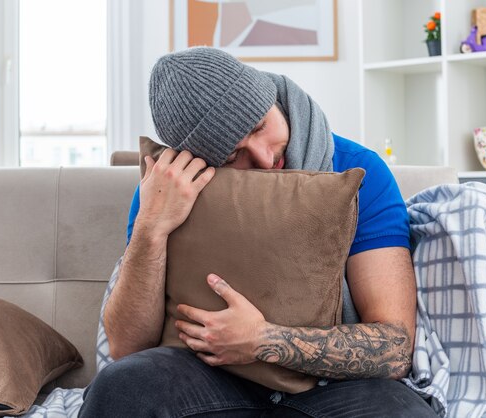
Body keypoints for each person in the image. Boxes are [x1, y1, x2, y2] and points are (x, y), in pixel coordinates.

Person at [79, 47, 437, 417]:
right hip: (204, 379)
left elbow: (395, 348)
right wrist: (150, 227)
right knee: (120, 388)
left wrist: (262, 340)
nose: (265, 159)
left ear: (272, 99)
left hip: (334, 389)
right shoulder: (166, 189)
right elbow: (125, 348)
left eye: (259, 127)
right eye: (233, 156)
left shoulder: (358, 171)